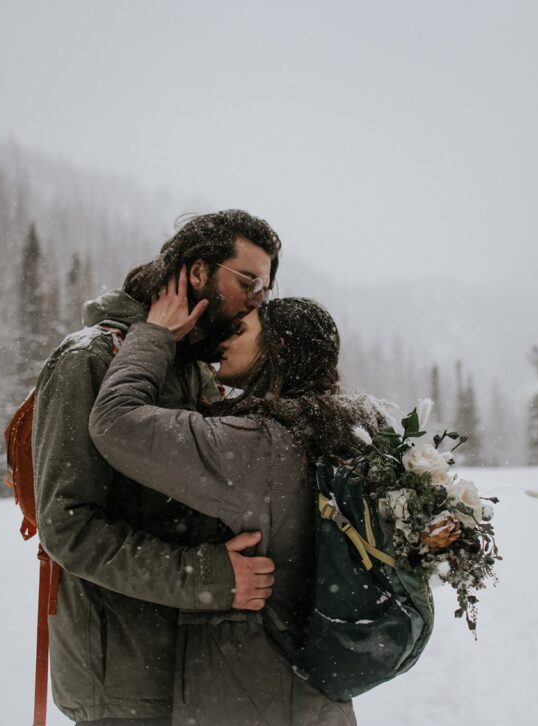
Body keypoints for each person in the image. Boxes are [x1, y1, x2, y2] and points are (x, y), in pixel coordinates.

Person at [88, 272, 385, 726]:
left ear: (278, 348)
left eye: (242, 329)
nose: (226, 337)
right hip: (314, 699)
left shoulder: (258, 446)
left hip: (250, 695)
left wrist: (153, 336)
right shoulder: (334, 434)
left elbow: (115, 423)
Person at [33, 210, 283, 725]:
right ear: (196, 273)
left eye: (268, 286)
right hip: (123, 689)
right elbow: (68, 526)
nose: (261, 298)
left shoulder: (195, 371)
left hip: (195, 677)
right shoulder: (90, 358)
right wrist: (206, 576)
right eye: (249, 281)